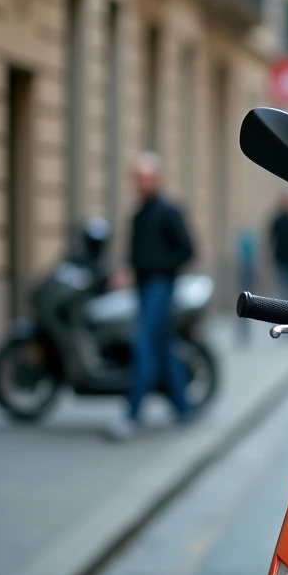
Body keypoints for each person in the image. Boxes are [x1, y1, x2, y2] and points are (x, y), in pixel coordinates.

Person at [107, 152, 195, 441]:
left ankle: (131, 414)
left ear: (156, 179)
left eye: (146, 178)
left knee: (143, 347)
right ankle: (184, 408)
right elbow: (135, 254)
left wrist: (158, 269)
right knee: (162, 349)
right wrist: (128, 273)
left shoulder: (168, 211)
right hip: (143, 289)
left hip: (160, 288)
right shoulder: (137, 215)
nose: (142, 183)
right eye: (138, 178)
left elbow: (187, 250)